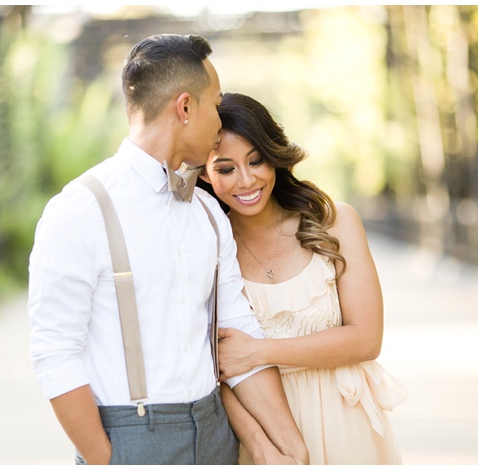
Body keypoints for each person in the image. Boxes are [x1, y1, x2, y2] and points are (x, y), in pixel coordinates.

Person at [27, 35, 308, 465]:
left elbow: (238, 330)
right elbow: (54, 351)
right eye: (214, 104)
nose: (219, 121)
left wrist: (294, 448)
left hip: (218, 436)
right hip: (129, 440)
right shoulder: (80, 209)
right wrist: (104, 458)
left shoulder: (208, 214)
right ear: (185, 108)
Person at [198, 92, 407, 465]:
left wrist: (258, 353)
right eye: (226, 169)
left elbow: (366, 338)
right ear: (204, 173)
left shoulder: (335, 222)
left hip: (345, 420)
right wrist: (262, 448)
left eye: (256, 160)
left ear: (274, 156)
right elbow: (217, 371)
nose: (246, 180)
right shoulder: (207, 246)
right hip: (264, 433)